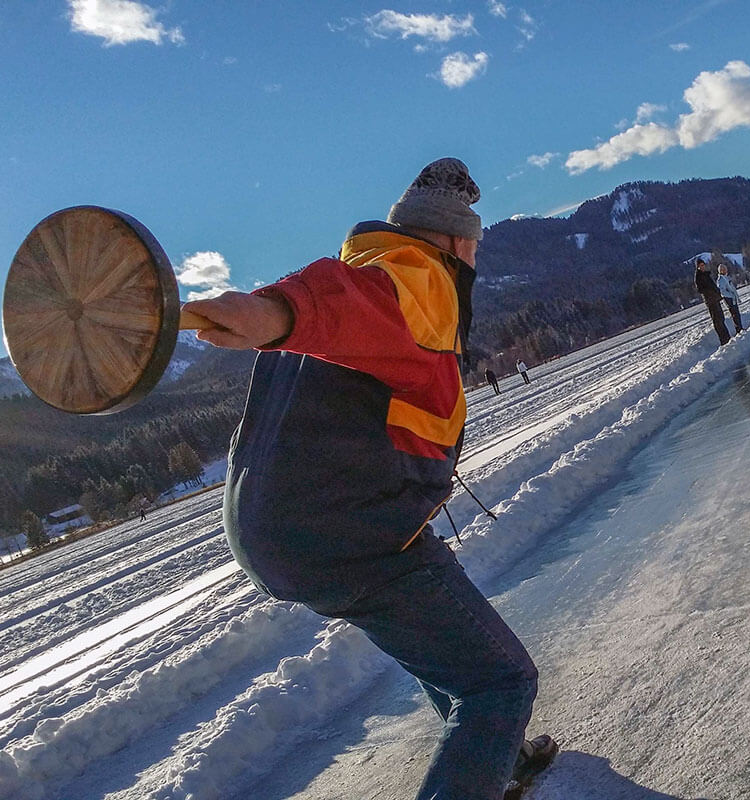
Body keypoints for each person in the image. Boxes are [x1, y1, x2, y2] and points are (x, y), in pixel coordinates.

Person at [181, 158, 554, 800]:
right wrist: (272, 313)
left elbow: (338, 311)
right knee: (500, 681)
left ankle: (500, 761)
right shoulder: (418, 280)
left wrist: (276, 311)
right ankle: (483, 762)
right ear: (457, 242)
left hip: (280, 531)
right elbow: (348, 304)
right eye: (474, 243)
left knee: (441, 634)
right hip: (350, 532)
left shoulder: (362, 280)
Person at [694, 257, 731, 344]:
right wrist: (710, 292)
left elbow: (713, 286)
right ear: (698, 267)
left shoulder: (706, 274)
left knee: (721, 318)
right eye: (700, 266)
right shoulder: (698, 277)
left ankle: (727, 337)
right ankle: (723, 340)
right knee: (717, 320)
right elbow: (700, 289)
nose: (702, 267)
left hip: (715, 299)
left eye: (703, 265)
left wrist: (717, 293)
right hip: (710, 301)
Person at [715, 263, 744, 333]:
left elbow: (731, 288)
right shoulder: (721, 280)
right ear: (721, 271)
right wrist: (731, 295)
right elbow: (722, 292)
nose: (726, 270)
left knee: (737, 313)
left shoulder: (726, 277)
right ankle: (739, 330)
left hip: (732, 298)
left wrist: (735, 296)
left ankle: (740, 328)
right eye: (724, 269)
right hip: (728, 299)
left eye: (725, 269)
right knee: (735, 314)